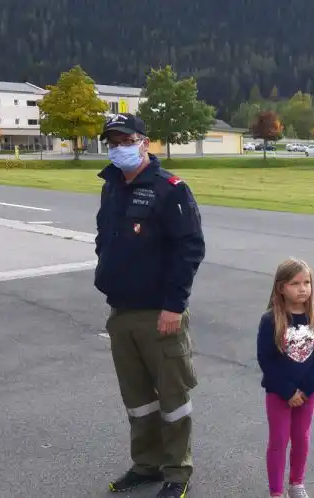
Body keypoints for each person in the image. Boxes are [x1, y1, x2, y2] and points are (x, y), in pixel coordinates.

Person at [94, 113, 206, 498]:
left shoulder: (170, 190)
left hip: (160, 312)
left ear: (145, 142)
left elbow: (189, 249)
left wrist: (174, 306)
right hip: (121, 311)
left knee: (172, 399)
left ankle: (177, 471)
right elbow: (104, 237)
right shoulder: (111, 187)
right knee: (138, 399)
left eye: (126, 141)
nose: (119, 148)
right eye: (112, 142)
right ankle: (146, 464)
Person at [257, 258, 314, 498]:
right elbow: (266, 359)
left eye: (307, 282)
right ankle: (276, 492)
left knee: (301, 438)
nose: (303, 288)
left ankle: (296, 484)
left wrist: (307, 389)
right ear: (281, 288)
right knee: (279, 441)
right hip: (279, 393)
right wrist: (288, 391)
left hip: (307, 393)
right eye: (295, 283)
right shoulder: (271, 319)